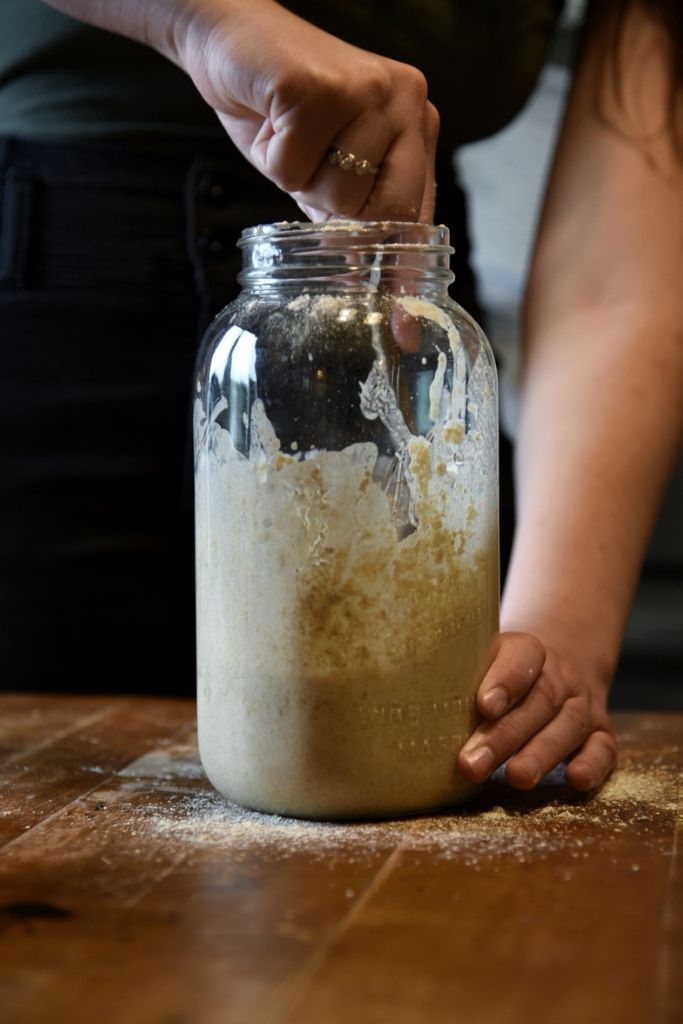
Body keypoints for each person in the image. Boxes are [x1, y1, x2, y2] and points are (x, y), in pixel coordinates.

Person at [1, 1, 681, 796]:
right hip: (53, 290)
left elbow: (619, 239)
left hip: (410, 315)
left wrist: (558, 629)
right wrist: (199, 17)